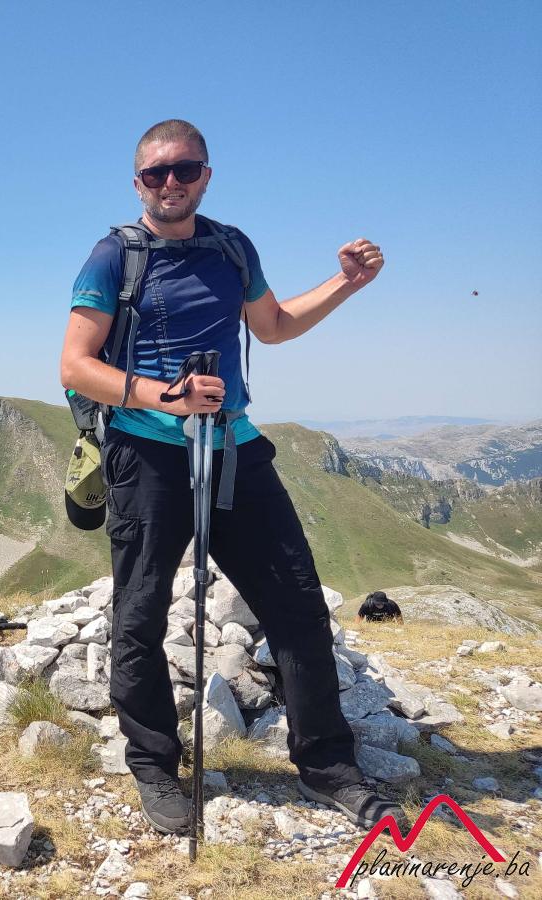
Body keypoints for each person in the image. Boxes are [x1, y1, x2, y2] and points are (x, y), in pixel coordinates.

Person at [58, 119, 410, 836]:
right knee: (140, 615)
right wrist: (168, 397)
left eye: (184, 169)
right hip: (146, 452)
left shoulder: (231, 247)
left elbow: (272, 324)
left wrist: (346, 282)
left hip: (233, 447)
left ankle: (328, 766)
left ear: (206, 175)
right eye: (156, 173)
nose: (170, 183)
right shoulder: (113, 256)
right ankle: (154, 765)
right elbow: (74, 365)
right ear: (137, 183)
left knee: (297, 605)